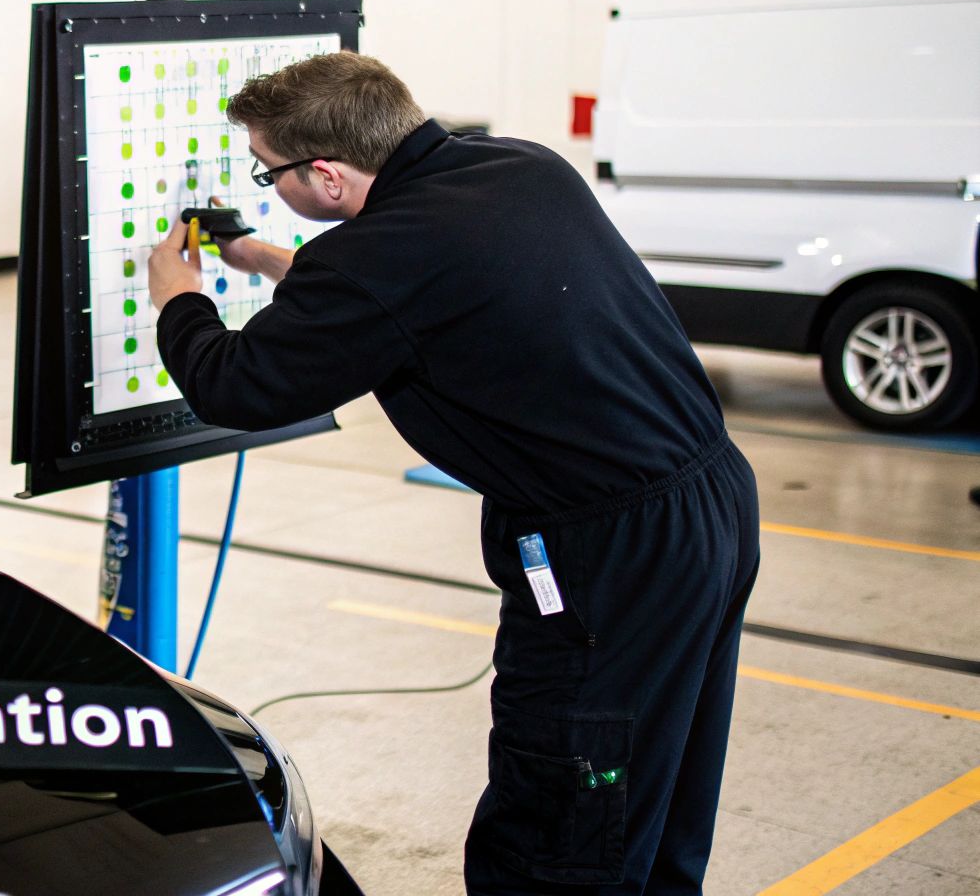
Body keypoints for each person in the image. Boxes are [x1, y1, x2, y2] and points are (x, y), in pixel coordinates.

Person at [147, 51, 760, 895]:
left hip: (608, 556)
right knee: (658, 788)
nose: (267, 183)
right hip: (712, 502)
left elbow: (237, 383)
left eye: (269, 170)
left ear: (326, 174)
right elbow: (437, 290)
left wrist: (179, 298)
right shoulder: (518, 166)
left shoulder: (377, 260)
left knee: (562, 815)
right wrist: (275, 261)